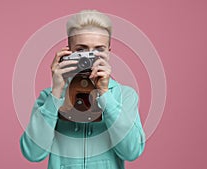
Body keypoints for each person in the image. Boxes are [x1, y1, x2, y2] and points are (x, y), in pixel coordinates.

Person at [20, 10, 145, 169]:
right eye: (81, 50)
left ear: (108, 52)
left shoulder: (124, 95)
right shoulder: (48, 97)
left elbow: (132, 152)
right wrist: (57, 91)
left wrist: (105, 95)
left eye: (99, 50)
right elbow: (33, 153)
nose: (88, 58)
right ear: (67, 52)